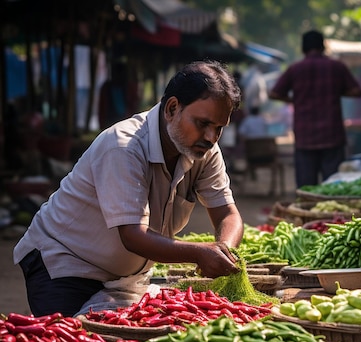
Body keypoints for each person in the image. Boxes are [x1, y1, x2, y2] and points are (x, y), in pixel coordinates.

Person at [13, 61, 244, 317]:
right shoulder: (124, 146)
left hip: (124, 277)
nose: (211, 137)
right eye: (202, 123)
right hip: (67, 264)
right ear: (172, 108)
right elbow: (133, 235)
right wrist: (199, 253)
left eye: (219, 128)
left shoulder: (204, 151)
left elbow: (227, 214)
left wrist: (225, 250)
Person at [269, 29, 361, 188]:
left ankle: (307, 213)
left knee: (307, 189)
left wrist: (294, 100)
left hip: (305, 137)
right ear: (323, 46)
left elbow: (274, 93)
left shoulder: (295, 69)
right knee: (334, 186)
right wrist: (336, 90)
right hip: (332, 135)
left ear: (303, 48)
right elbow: (357, 91)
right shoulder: (336, 67)